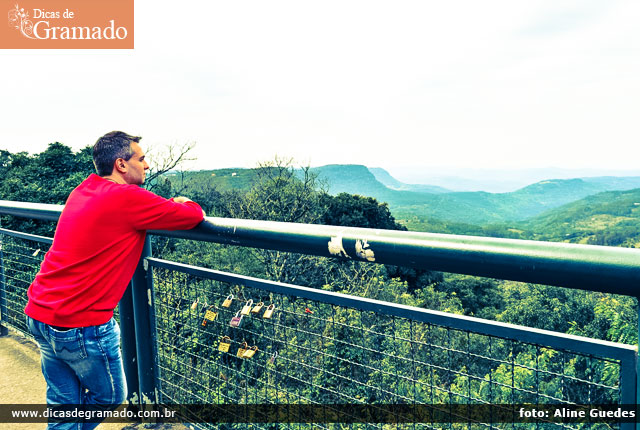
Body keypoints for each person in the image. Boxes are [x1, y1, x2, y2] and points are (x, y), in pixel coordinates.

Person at [24, 131, 205, 429]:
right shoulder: (126, 198)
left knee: (64, 405)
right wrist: (183, 201)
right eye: (142, 158)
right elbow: (191, 216)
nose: (146, 166)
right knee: (108, 397)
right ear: (121, 164)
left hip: (40, 312)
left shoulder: (84, 189)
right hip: (78, 324)